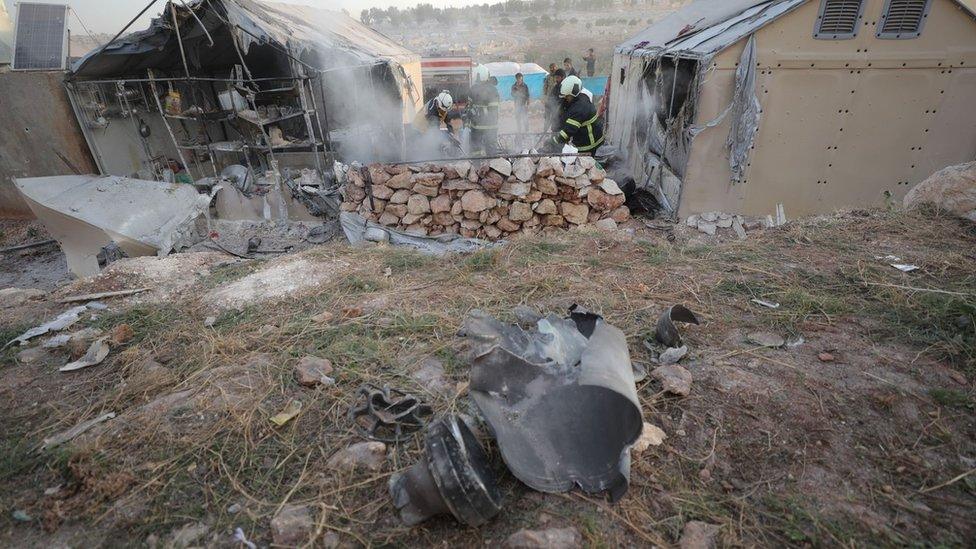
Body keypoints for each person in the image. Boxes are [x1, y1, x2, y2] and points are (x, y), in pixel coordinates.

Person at [548, 75, 604, 155]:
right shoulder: (578, 98)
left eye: (567, 96)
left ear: (574, 92)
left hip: (589, 144)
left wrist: (553, 141)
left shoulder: (580, 107)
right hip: (583, 137)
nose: (566, 98)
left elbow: (569, 131)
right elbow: (565, 115)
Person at [467, 64, 500, 155]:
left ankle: (476, 166)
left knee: (476, 148)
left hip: (476, 126)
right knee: (491, 148)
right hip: (491, 126)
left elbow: (468, 108)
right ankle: (492, 166)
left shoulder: (473, 89)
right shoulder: (493, 90)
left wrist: (467, 122)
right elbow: (494, 109)